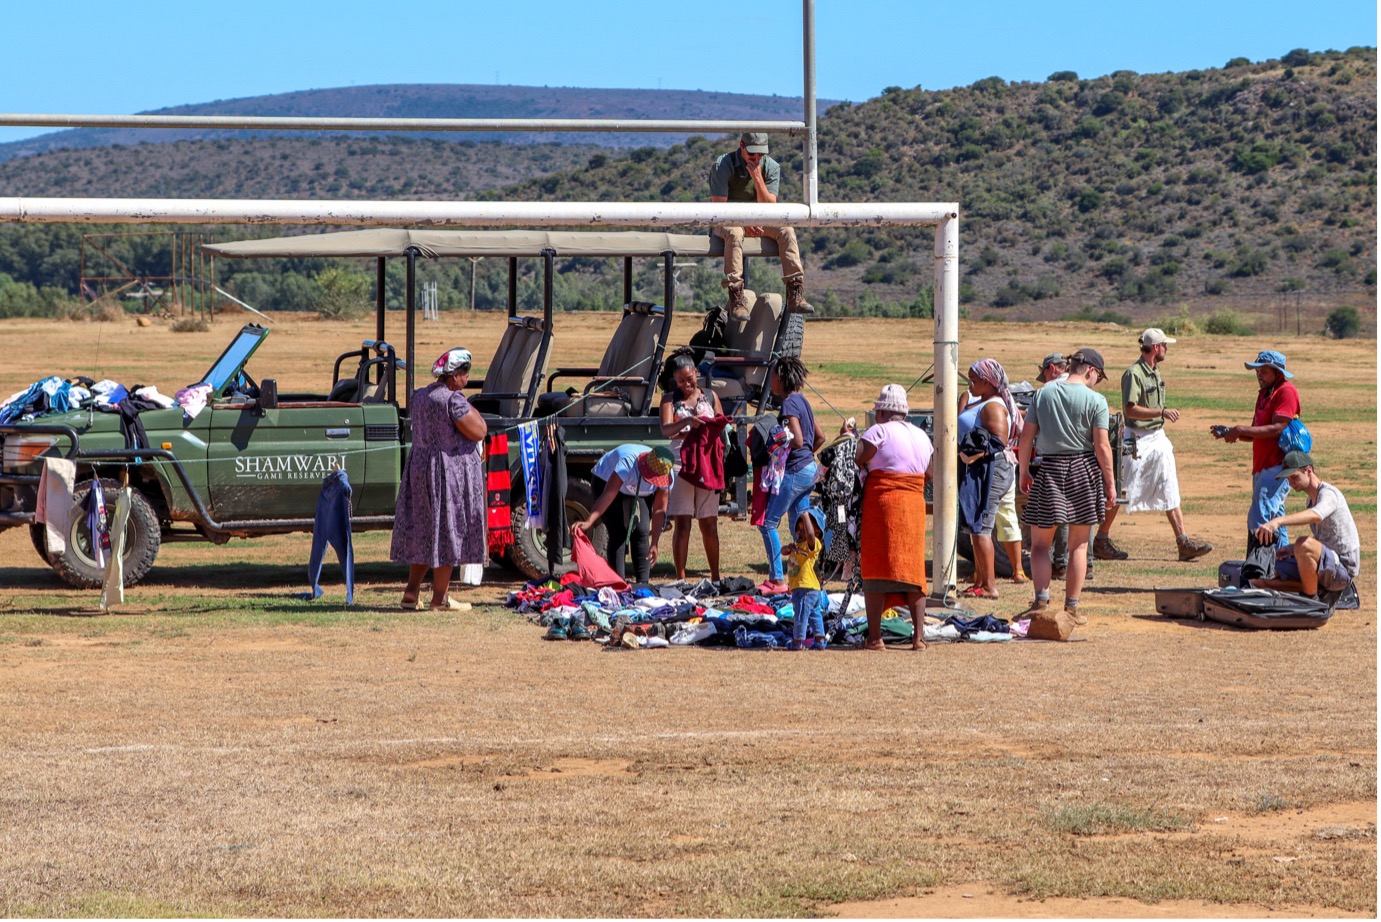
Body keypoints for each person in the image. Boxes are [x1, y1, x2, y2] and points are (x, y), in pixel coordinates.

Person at [1017, 348, 1117, 626]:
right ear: (1091, 371)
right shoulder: (1096, 400)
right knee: (1079, 546)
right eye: (1099, 376)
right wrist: (1110, 482)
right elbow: (1102, 446)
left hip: (1049, 469)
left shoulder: (1043, 394)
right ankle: (1072, 607)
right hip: (1084, 471)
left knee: (1039, 545)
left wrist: (1024, 470)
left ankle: (1040, 601)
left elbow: (1026, 439)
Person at [1095, 328, 1213, 562]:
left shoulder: (1154, 372)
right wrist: (1161, 412)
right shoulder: (1134, 373)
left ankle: (1183, 541)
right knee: (1121, 490)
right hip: (1137, 439)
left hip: (1157, 438)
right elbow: (1130, 408)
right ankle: (1101, 539)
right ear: (1156, 347)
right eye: (1164, 345)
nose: (1167, 349)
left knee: (1170, 485)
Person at [390, 348, 487, 611]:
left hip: (421, 469)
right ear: (454, 376)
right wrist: (465, 402)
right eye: (464, 375)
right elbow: (479, 431)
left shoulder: (420, 396)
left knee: (426, 530)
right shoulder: (454, 401)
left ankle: (411, 593)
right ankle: (439, 599)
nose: (466, 380)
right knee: (447, 531)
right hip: (447, 472)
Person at [1210, 349, 1302, 576]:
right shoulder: (1264, 394)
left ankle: (1260, 571)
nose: (1258, 374)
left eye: (1263, 370)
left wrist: (1240, 430)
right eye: (1257, 371)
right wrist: (1231, 432)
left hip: (1279, 465)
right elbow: (1255, 431)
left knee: (1260, 515)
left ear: (1277, 372)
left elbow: (1278, 427)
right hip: (1261, 465)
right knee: (1274, 517)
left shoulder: (1286, 391)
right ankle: (1283, 571)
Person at [855, 384, 933, 651]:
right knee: (913, 571)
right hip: (913, 506)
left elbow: (859, 458)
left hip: (883, 505)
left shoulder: (878, 431)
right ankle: (918, 638)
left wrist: (849, 437)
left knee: (877, 568)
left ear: (883, 412)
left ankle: (875, 638)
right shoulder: (922, 435)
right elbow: (929, 473)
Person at [709, 132, 813, 319]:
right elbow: (719, 207)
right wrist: (744, 224)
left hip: (759, 220)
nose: (756, 159)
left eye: (760, 155)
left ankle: (795, 292)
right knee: (734, 233)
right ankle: (736, 297)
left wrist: (757, 178)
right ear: (741, 145)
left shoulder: (771, 167)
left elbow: (769, 208)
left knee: (787, 230)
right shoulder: (724, 165)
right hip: (727, 221)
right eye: (751, 154)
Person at [1249, 451, 1359, 599]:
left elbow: (1316, 515)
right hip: (1325, 564)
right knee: (1259, 576)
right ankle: (1315, 590)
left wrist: (1278, 521)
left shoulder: (1329, 494)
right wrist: (1291, 549)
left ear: (1308, 470)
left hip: (1342, 569)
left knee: (1303, 543)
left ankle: (1311, 600)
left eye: (1294, 477)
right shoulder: (1310, 501)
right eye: (1288, 479)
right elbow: (1321, 541)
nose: (1291, 483)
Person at [756, 357, 825, 594]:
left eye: (773, 376)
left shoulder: (788, 405)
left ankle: (776, 579)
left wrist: (783, 445)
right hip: (808, 470)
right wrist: (807, 457)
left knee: (768, 523)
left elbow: (796, 439)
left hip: (796, 471)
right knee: (801, 526)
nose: (770, 380)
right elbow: (820, 437)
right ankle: (803, 576)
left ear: (781, 379)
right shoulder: (803, 401)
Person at [957, 358, 1024, 599]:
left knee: (982, 528)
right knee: (977, 527)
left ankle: (989, 586)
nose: (970, 383)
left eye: (973, 379)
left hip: (990, 470)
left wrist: (971, 456)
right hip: (983, 469)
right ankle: (981, 581)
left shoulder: (993, 407)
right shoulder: (983, 401)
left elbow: (998, 443)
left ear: (987, 382)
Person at [659, 349, 726, 582]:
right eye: (680, 381)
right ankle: (681, 578)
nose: (686, 384)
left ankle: (716, 577)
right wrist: (688, 421)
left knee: (709, 522)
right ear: (674, 380)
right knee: (683, 523)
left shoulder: (710, 395)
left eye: (690, 379)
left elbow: (721, 422)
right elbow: (666, 429)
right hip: (680, 463)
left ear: (697, 373)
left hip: (707, 462)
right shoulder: (669, 399)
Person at [572, 445, 674, 585]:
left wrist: (655, 543)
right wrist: (589, 521)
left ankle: (643, 585)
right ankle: (617, 584)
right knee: (618, 532)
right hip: (607, 481)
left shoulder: (666, 473)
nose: (654, 481)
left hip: (639, 491)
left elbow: (659, 510)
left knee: (642, 532)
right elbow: (608, 495)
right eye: (652, 477)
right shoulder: (627, 464)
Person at [1035, 352, 1080, 580]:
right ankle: (1086, 564)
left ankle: (1061, 564)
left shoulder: (1047, 392)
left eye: (1044, 374)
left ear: (1052, 368)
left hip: (1056, 459)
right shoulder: (1083, 389)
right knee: (1081, 517)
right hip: (1083, 459)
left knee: (1059, 514)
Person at [783, 506, 827, 650]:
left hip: (805, 588)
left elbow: (810, 535)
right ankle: (820, 640)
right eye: (798, 528)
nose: (800, 532)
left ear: (818, 532)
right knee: (814, 615)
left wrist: (806, 515)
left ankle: (797, 642)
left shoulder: (813, 545)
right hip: (808, 588)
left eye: (804, 528)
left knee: (800, 615)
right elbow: (783, 551)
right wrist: (789, 548)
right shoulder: (798, 545)